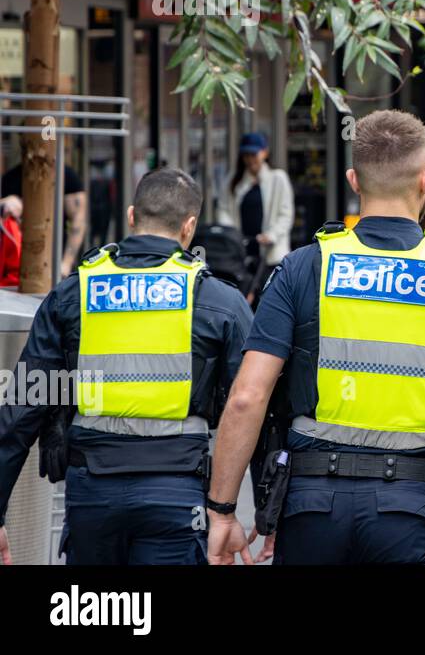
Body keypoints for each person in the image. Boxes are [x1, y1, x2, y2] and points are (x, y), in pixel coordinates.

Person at [205, 110, 425, 565]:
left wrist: (222, 511)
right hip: (411, 508)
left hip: (312, 506)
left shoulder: (303, 267)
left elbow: (247, 398)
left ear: (354, 180)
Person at [0, 168, 252, 565]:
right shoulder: (220, 301)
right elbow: (250, 405)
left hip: (91, 495)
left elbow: (21, 409)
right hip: (177, 494)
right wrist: (232, 511)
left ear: (132, 217)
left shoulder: (73, 292)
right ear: (189, 227)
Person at [216, 132, 294, 302]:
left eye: (254, 154)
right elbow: (223, 210)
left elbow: (285, 214)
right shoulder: (233, 181)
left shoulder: (278, 179)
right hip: (242, 252)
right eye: (246, 155)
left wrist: (271, 235)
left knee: (270, 301)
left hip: (271, 254)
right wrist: (233, 235)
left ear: (264, 153)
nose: (250, 159)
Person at [1, 156, 87, 279]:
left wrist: (66, 262)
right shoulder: (11, 178)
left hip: (55, 259)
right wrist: (5, 203)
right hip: (15, 261)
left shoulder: (65, 176)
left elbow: (78, 222)